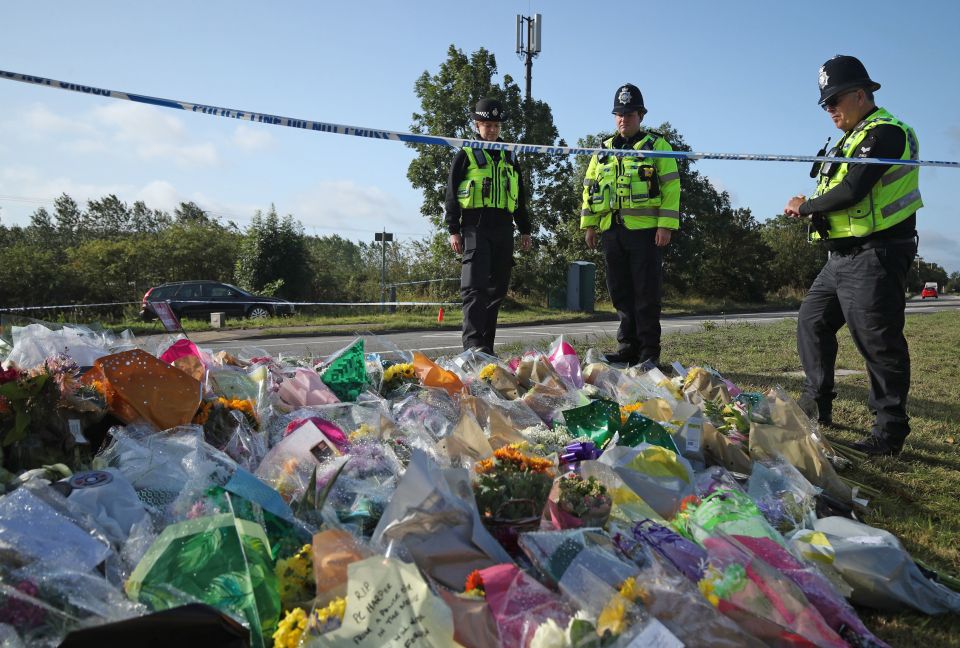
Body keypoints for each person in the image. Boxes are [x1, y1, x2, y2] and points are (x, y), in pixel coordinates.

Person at [784, 55, 921, 457]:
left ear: (861, 95)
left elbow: (854, 189)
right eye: (825, 103)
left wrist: (806, 206)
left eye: (835, 101)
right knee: (812, 321)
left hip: (876, 253)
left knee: (878, 343)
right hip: (840, 257)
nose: (830, 110)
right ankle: (818, 403)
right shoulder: (848, 140)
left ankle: (890, 431)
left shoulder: (887, 134)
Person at [580, 83, 680, 366]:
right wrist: (590, 226)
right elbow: (590, 188)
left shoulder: (658, 146)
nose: (624, 119)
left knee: (646, 294)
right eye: (619, 114)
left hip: (646, 232)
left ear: (641, 116)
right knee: (621, 293)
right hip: (612, 230)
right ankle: (628, 348)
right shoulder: (603, 149)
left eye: (630, 114)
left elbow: (672, 189)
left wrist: (665, 225)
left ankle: (649, 353)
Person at [445, 97, 532, 356]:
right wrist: (453, 229)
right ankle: (472, 349)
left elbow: (520, 197)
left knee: (497, 291)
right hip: (475, 227)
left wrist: (525, 229)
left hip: (504, 228)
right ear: (476, 125)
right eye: (486, 124)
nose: (492, 130)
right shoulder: (466, 154)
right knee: (475, 289)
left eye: (496, 125)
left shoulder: (509, 155)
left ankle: (487, 349)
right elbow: (451, 194)